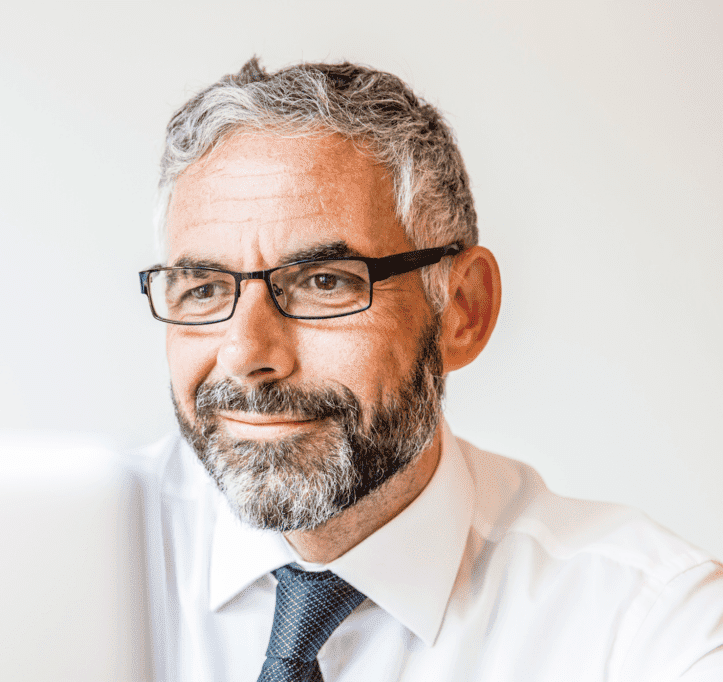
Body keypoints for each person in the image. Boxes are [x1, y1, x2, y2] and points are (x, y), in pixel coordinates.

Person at [133, 57, 723, 681]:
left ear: (462, 311)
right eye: (202, 290)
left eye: (323, 282)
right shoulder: (61, 555)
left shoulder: (647, 628)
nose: (247, 354)